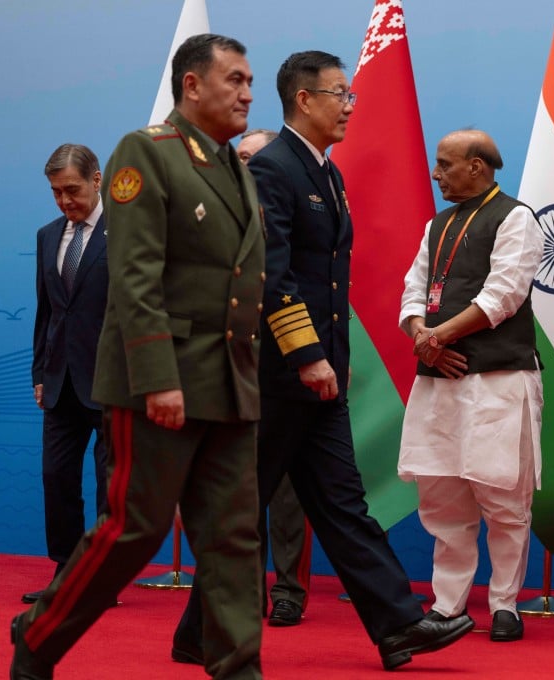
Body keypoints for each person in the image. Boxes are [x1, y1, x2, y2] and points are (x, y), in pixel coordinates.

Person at [173, 50, 473, 671]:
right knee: (242, 511)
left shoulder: (326, 175)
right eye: (341, 94)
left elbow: (330, 284)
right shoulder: (274, 170)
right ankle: (198, 633)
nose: (350, 107)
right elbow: (271, 275)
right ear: (304, 100)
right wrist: (307, 355)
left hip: (318, 379)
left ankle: (397, 627)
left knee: (341, 505)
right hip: (280, 377)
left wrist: (329, 359)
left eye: (351, 95)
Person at [10, 33, 266, 680]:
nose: (247, 92)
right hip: (164, 380)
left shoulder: (232, 165)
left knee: (234, 537)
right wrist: (157, 376)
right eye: (234, 79)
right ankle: (38, 640)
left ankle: (238, 668)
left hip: (229, 383)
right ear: (191, 85)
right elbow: (134, 275)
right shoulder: (145, 154)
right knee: (134, 531)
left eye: (249, 81)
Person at [398, 129, 544, 642]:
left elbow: (504, 294)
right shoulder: (438, 223)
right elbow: (413, 290)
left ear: (477, 167)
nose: (437, 174)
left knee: (504, 498)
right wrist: (422, 334)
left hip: (498, 382)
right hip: (440, 381)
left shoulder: (516, 217)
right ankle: (447, 605)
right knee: (443, 499)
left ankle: (505, 605)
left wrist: (437, 335)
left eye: (445, 164)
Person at [27, 143, 110, 605]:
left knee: (109, 484)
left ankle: (100, 576)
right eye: (56, 193)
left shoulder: (129, 233)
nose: (64, 201)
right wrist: (40, 370)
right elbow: (47, 313)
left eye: (72, 190)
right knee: (56, 477)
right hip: (59, 383)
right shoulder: (47, 235)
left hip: (113, 382)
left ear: (97, 180)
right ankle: (66, 570)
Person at [237, 126, 311, 628]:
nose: (245, 168)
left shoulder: (295, 218)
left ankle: (288, 590)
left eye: (253, 160)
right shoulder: (223, 217)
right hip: (235, 370)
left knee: (286, 489)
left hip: (286, 364)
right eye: (239, 159)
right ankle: (242, 589)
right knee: (240, 489)